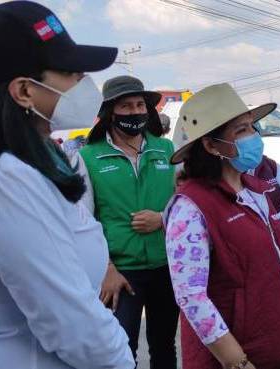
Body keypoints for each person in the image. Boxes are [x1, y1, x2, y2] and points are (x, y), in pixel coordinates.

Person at [0, 2, 134, 368]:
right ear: (25, 91)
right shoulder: (8, 179)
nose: (85, 85)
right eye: (72, 73)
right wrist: (122, 360)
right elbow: (72, 324)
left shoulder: (38, 159)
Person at [165, 83, 280, 369]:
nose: (254, 137)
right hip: (237, 359)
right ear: (210, 145)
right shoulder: (190, 208)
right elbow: (192, 298)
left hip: (277, 347)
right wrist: (238, 363)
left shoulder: (253, 189)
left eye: (252, 127)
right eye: (241, 131)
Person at [72, 75, 178, 367]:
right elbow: (82, 221)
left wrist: (162, 218)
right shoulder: (89, 157)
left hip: (165, 267)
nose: (134, 112)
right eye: (125, 106)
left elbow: (185, 204)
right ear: (110, 113)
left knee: (165, 347)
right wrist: (106, 269)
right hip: (120, 274)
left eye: (139, 105)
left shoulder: (166, 151)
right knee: (120, 350)